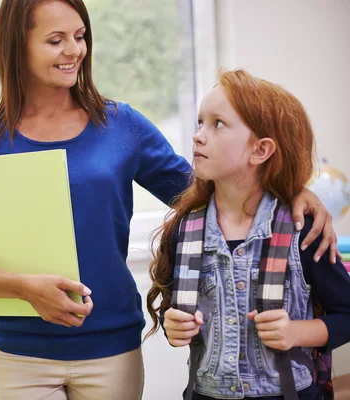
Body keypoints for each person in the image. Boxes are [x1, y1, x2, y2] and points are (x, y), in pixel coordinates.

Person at [0, 0, 338, 398]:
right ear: (18, 45)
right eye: (55, 40)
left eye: (80, 36)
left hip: (110, 348)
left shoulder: (121, 126)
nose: (74, 50)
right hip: (19, 355)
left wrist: (292, 189)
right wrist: (23, 288)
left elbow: (209, 192)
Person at [147, 69, 350, 400]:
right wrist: (174, 327)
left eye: (218, 124)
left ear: (261, 150)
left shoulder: (303, 231)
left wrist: (297, 332)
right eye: (200, 123)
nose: (198, 135)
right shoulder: (185, 230)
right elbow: (178, 317)